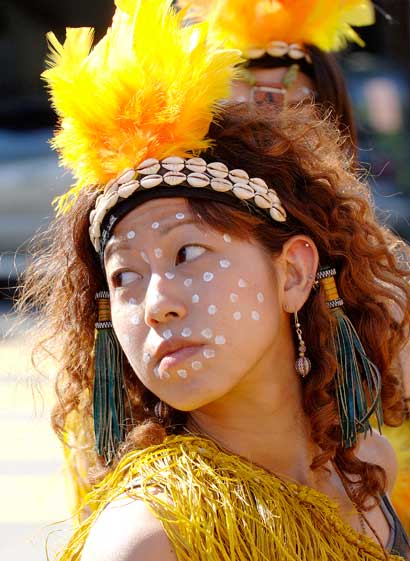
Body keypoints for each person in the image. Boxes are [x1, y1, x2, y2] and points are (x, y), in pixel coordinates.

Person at [19, 0, 410, 559]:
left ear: (295, 272)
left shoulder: (367, 470)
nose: (156, 304)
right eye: (125, 275)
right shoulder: (149, 537)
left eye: (189, 252)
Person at [177, 0, 410, 532]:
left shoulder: (379, 272)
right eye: (244, 108)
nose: (274, 130)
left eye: (298, 107)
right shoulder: (162, 260)